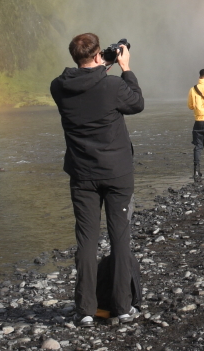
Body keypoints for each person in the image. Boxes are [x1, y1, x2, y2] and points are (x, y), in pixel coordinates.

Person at [49, 32, 145, 322]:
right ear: (97, 54)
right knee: (119, 238)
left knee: (87, 241)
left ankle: (85, 310)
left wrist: (102, 65)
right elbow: (137, 103)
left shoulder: (58, 87)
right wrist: (125, 67)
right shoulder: (113, 85)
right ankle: (122, 307)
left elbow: (86, 84)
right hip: (117, 172)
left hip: (82, 174)